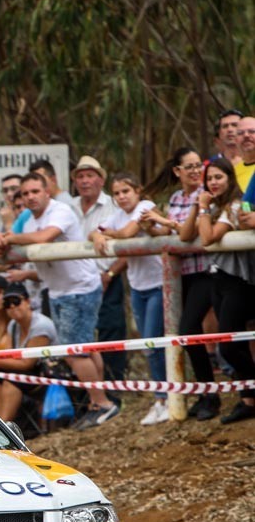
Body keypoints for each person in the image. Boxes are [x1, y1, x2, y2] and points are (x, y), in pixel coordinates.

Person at [0, 172, 119, 430]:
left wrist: (10, 237)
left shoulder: (60, 211)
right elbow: (12, 249)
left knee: (73, 352)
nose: (30, 197)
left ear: (47, 191)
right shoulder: (27, 223)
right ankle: (97, 403)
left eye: (35, 191)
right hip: (58, 290)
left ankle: (103, 403)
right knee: (84, 348)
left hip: (79, 288)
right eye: (25, 194)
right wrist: (1, 241)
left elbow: (43, 238)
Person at [142, 147, 217, 420]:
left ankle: (212, 394)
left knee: (188, 329)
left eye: (199, 165)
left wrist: (164, 221)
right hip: (181, 273)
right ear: (177, 171)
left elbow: (188, 233)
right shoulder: (176, 197)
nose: (196, 171)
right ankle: (206, 392)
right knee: (189, 333)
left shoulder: (206, 194)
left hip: (206, 271)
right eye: (190, 166)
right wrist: (152, 226)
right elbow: (170, 230)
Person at [180, 157, 255, 424]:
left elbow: (209, 238)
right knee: (234, 345)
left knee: (229, 346)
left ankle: (251, 391)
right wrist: (199, 207)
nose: (213, 183)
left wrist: (202, 208)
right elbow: (185, 236)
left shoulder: (235, 205)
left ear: (230, 179)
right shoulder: (214, 206)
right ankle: (248, 400)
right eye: (209, 178)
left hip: (237, 281)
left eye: (218, 177)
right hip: (218, 280)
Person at [90, 173, 166, 425]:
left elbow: (128, 231)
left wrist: (108, 233)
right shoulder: (117, 215)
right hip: (137, 285)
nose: (121, 197)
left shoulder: (145, 207)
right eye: (117, 193)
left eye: (126, 191)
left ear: (138, 190)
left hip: (158, 284)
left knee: (154, 342)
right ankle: (161, 398)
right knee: (148, 344)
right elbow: (96, 231)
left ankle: (165, 396)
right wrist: (99, 236)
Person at [69, 156, 125, 383]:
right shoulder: (68, 207)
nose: (85, 181)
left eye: (90, 175)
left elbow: (129, 247)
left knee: (110, 331)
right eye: (80, 176)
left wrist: (110, 274)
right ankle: (91, 392)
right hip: (76, 283)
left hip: (107, 278)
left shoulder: (114, 204)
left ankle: (114, 386)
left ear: (101, 180)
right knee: (79, 338)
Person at [0, 285, 58, 423]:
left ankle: (5, 428)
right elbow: (7, 355)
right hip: (28, 371)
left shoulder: (41, 326)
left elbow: (27, 364)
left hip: (48, 373)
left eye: (16, 301)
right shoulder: (13, 325)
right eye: (7, 304)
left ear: (27, 302)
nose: (12, 307)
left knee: (11, 380)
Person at [233, 116, 255, 193]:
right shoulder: (232, 173)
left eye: (252, 131)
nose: (246, 135)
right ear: (235, 140)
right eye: (240, 133)